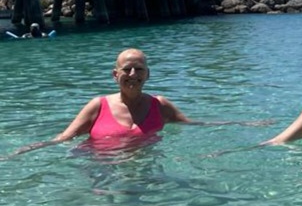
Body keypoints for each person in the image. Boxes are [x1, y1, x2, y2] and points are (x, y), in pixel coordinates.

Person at [11, 48, 188, 155]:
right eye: (127, 69)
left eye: (139, 69)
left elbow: (194, 126)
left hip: (144, 166)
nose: (133, 74)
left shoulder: (160, 105)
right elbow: (64, 138)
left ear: (148, 74)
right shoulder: (98, 106)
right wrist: (24, 150)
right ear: (115, 75)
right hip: (103, 169)